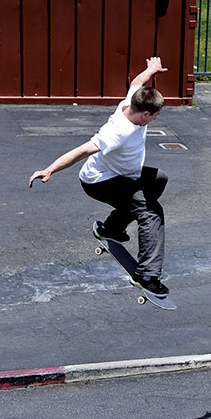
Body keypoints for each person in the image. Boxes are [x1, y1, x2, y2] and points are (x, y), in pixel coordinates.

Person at [29, 57, 171, 296]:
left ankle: (111, 229)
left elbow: (136, 82)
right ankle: (147, 276)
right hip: (101, 182)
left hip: (124, 175)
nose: (156, 119)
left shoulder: (132, 102)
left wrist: (150, 70)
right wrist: (50, 169)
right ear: (145, 115)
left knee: (158, 179)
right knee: (150, 212)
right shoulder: (118, 132)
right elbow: (82, 151)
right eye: (155, 116)